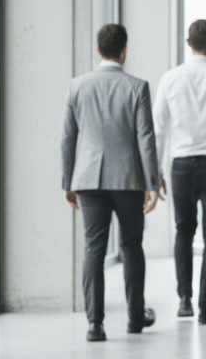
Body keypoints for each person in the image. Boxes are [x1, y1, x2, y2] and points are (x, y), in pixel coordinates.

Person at [60, 24, 161, 341]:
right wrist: (152, 183)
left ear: (98, 50)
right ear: (124, 50)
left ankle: (95, 324)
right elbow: (146, 138)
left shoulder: (77, 86)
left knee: (93, 249)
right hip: (128, 180)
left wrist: (68, 182)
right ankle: (135, 319)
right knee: (132, 247)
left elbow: (67, 138)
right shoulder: (137, 87)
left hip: (88, 179)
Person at [153, 18, 206, 324]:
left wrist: (155, 172)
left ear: (188, 43)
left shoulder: (170, 79)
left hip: (181, 165)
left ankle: (184, 301)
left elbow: (158, 130)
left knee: (183, 231)